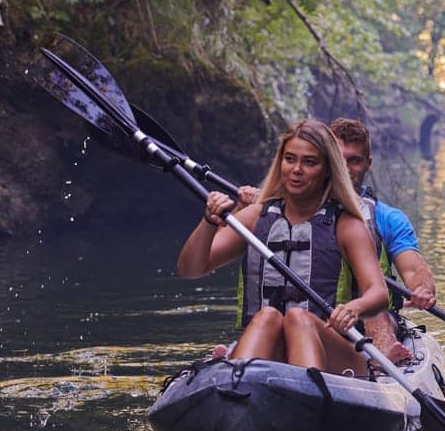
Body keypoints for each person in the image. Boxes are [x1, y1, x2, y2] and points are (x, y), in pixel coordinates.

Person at [176, 119, 410, 370]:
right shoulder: (255, 217)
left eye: (309, 162)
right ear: (280, 163)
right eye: (290, 159)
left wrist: (354, 307)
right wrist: (209, 222)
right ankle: (240, 382)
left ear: (328, 170)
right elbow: (190, 269)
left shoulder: (347, 225)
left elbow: (378, 293)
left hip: (332, 350)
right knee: (267, 316)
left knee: (299, 318)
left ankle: (306, 392)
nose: (297, 169)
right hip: (272, 345)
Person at [329, 116, 437, 315]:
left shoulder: (389, 219)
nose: (345, 169)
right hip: (317, 320)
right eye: (338, 160)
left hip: (372, 318)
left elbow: (414, 271)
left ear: (368, 164)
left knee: (376, 317)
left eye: (354, 161)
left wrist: (422, 288)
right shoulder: (300, 209)